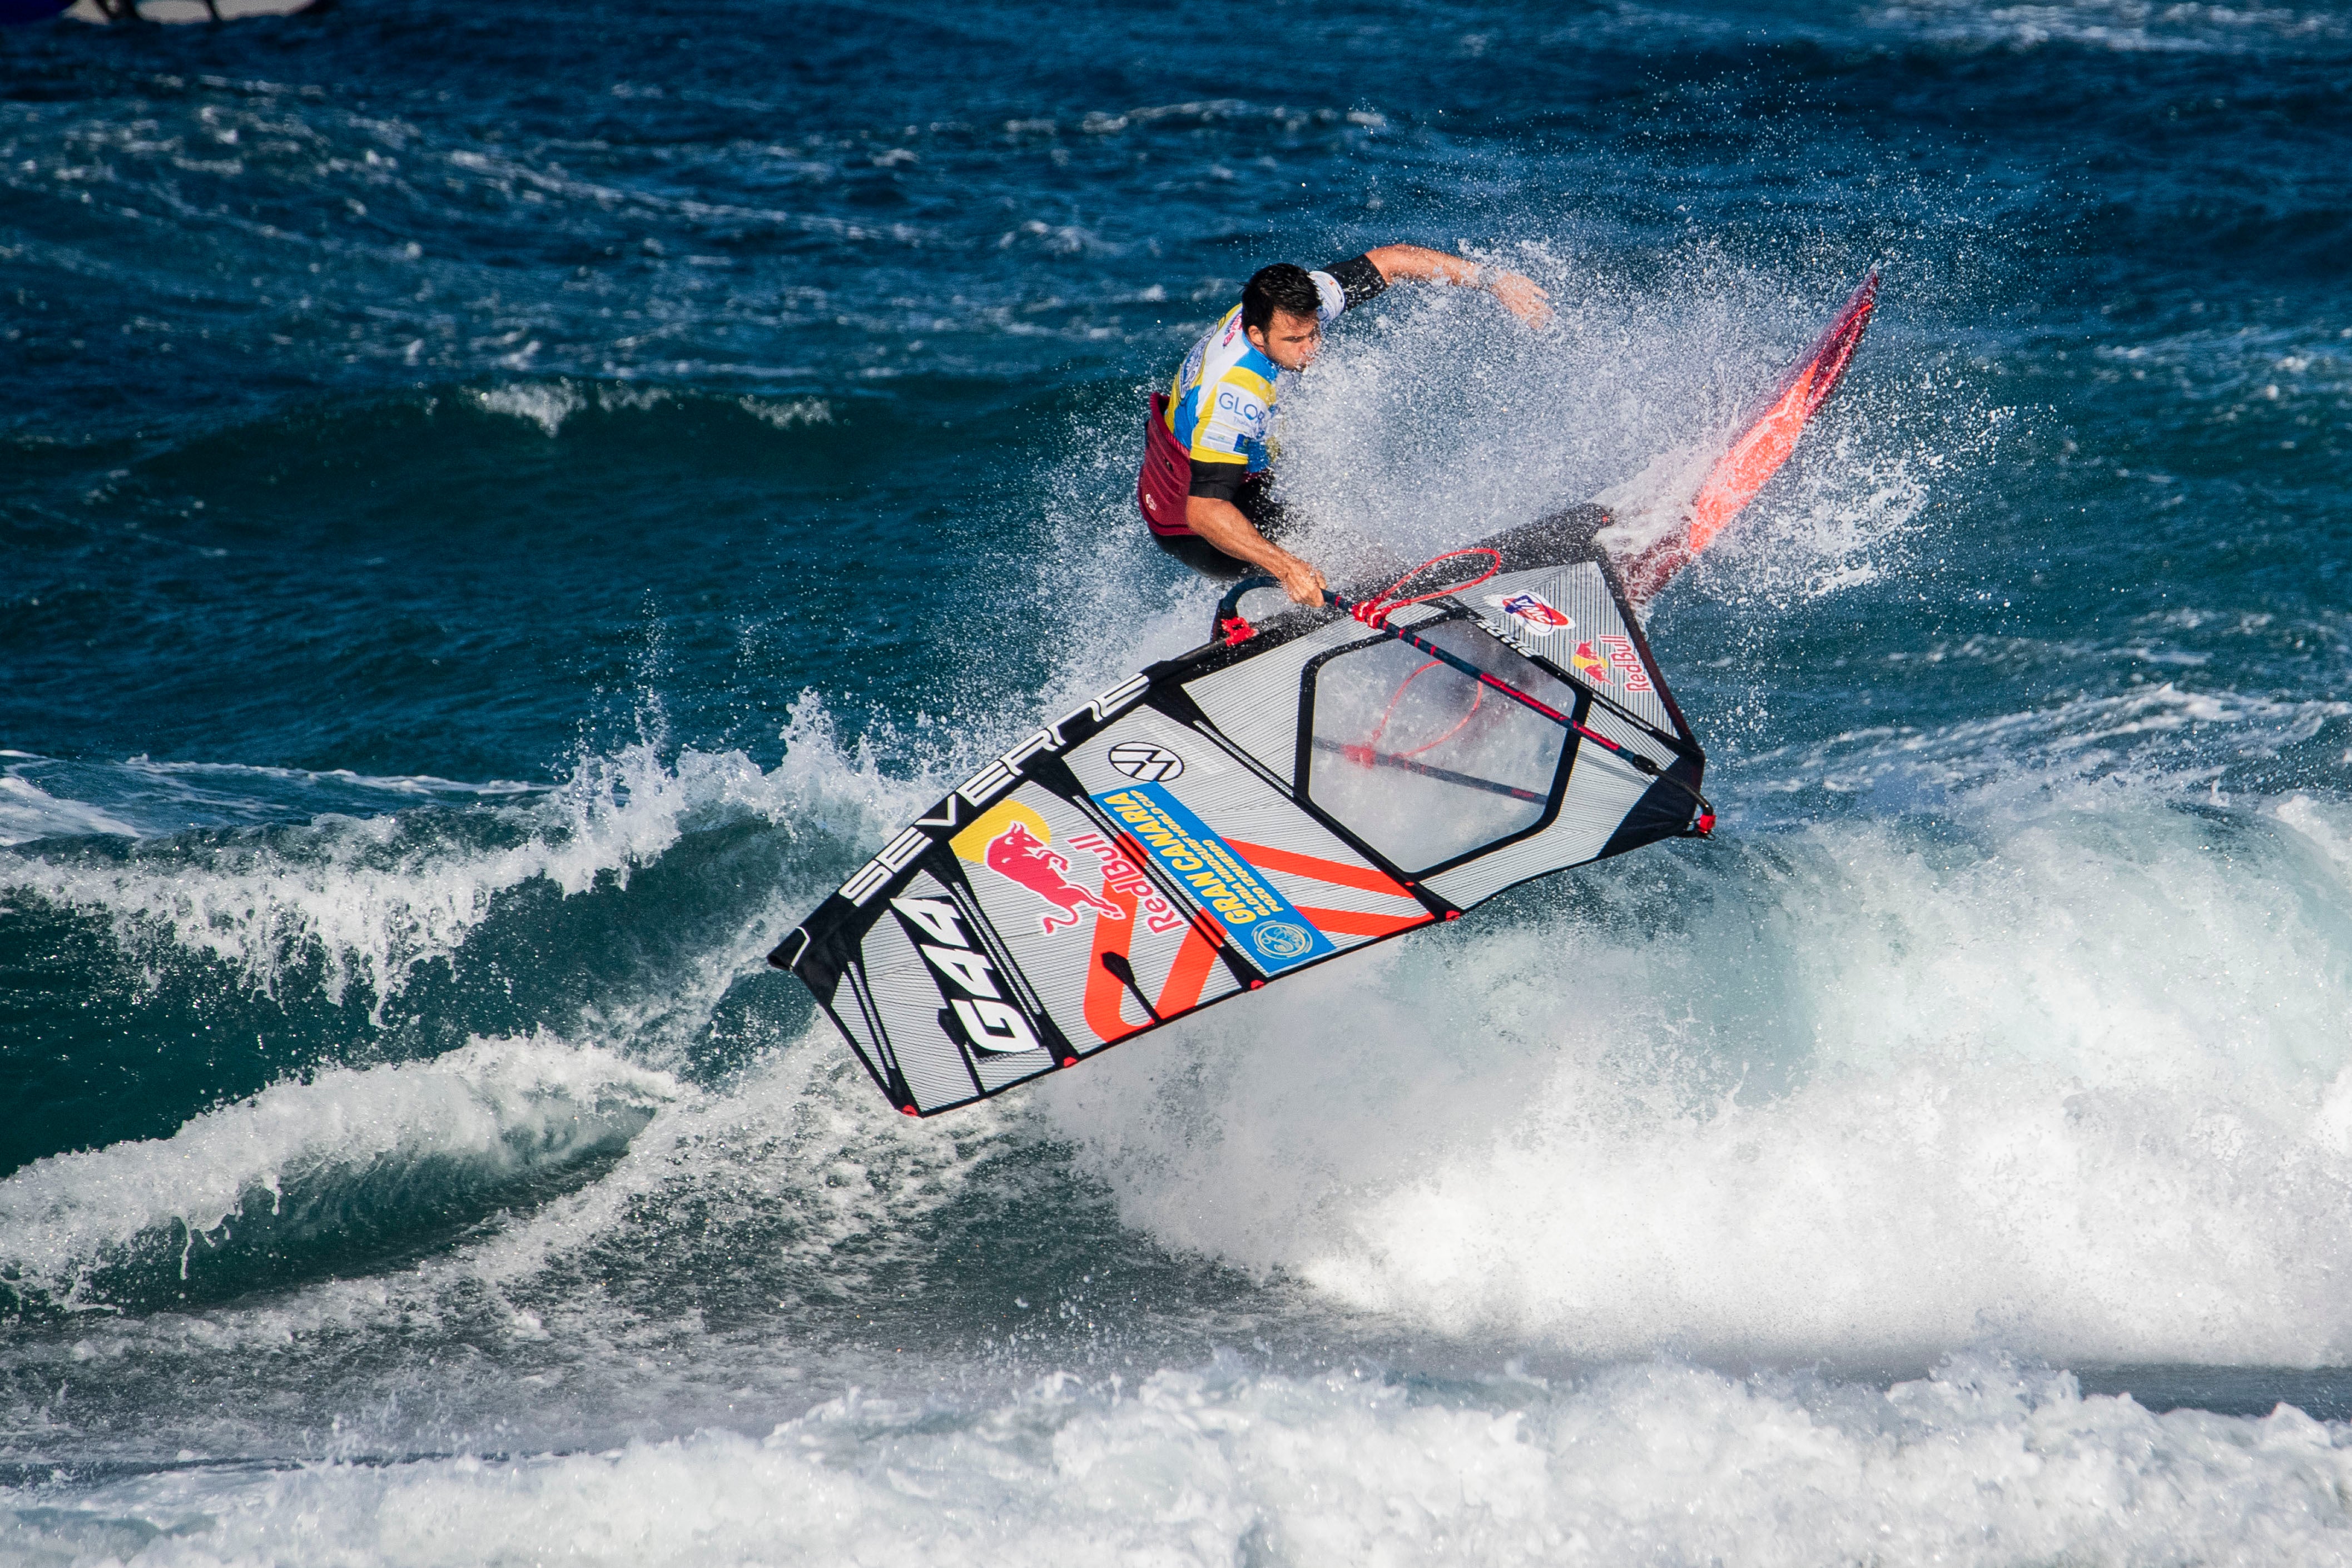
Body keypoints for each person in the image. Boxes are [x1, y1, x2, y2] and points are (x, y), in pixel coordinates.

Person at [1137, 246, 1553, 604]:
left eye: (1314, 334)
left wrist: (1492, 280)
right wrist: (1287, 568)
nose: (1310, 350)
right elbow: (1205, 511)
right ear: (1256, 336)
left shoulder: (1290, 312)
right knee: (1368, 569)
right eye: (1295, 342)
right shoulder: (1237, 396)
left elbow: (1390, 262)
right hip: (1191, 525)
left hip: (1225, 479)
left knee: (1359, 565)